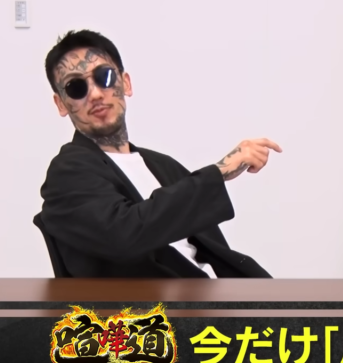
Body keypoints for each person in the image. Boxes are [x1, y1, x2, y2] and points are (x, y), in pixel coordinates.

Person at [36, 29, 280, 279]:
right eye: (76, 87)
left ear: (126, 83)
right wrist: (220, 172)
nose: (96, 94)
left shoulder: (163, 166)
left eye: (104, 76)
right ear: (61, 104)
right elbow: (123, 235)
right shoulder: (67, 173)